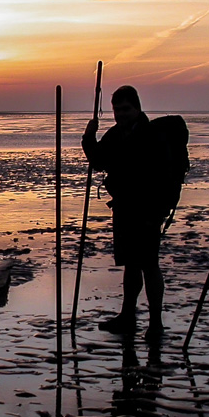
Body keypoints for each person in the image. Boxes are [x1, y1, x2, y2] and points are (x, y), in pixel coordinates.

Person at [81, 85, 179, 339]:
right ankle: (127, 316)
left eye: (126, 109)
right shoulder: (115, 135)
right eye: (116, 110)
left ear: (137, 108)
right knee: (130, 265)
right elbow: (99, 161)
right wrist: (88, 138)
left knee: (149, 265)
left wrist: (159, 211)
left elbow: (166, 177)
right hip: (124, 207)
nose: (121, 114)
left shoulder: (153, 135)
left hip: (147, 210)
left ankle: (156, 323)